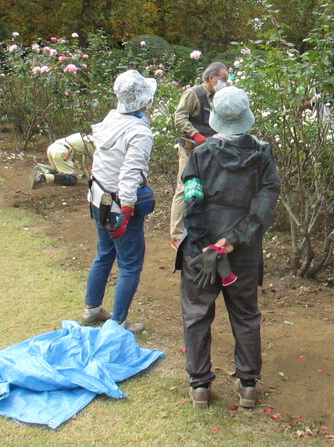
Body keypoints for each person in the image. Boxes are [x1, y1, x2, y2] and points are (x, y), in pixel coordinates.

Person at [175, 86, 281, 409]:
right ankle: (247, 384)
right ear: (246, 117)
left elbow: (192, 201)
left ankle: (199, 385)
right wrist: (233, 239)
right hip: (243, 251)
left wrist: (205, 245)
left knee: (197, 314)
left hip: (201, 250)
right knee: (246, 315)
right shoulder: (262, 155)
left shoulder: (200, 155)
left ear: (215, 118)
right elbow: (265, 203)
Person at [80, 70, 157, 334]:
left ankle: (92, 309)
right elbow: (130, 173)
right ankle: (120, 322)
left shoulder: (111, 119)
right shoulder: (139, 131)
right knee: (130, 265)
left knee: (104, 253)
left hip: (99, 198)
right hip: (119, 204)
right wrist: (126, 210)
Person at [168, 62, 230, 249]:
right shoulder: (193, 94)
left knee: (208, 188)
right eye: (224, 79)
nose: (226, 82)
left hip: (210, 149)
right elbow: (179, 117)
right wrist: (195, 134)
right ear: (212, 78)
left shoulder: (218, 96)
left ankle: (201, 229)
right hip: (190, 149)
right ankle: (177, 234)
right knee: (184, 187)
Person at [30, 133, 95, 188]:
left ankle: (41, 168)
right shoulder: (93, 143)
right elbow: (93, 161)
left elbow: (79, 158)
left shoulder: (82, 136)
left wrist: (84, 174)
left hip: (53, 148)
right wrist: (86, 175)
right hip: (62, 152)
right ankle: (43, 177)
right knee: (71, 179)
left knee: (58, 171)